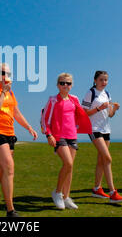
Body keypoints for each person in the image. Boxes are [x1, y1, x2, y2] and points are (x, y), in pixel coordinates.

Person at [0, 63, 38, 218]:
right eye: (3, 73)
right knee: (9, 167)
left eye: (9, 73)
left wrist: (28, 127)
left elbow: (16, 112)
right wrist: (3, 92)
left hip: (9, 133)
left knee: (3, 170)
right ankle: (10, 211)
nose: (7, 76)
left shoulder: (11, 93)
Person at [42, 73, 93, 210]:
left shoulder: (74, 99)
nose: (66, 85)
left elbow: (79, 115)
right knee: (68, 163)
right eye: (63, 83)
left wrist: (79, 127)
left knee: (70, 168)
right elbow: (44, 118)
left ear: (72, 85)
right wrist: (49, 135)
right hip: (59, 136)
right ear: (58, 85)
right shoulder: (52, 100)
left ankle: (66, 197)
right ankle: (57, 193)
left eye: (68, 83)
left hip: (72, 136)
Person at [81, 71, 122, 203]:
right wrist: (100, 108)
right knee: (107, 158)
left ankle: (96, 189)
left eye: (106, 80)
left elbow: (110, 114)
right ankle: (113, 192)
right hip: (94, 129)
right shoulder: (91, 93)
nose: (104, 82)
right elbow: (85, 113)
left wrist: (114, 109)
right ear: (95, 80)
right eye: (101, 79)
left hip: (106, 129)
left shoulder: (107, 94)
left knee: (101, 159)